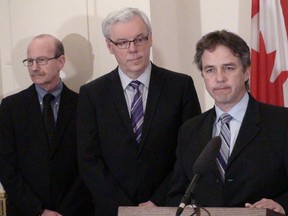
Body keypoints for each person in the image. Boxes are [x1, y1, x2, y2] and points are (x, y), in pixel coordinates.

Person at [77, 7, 201, 216]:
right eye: (123, 42)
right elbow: (89, 159)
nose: (133, 48)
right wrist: (125, 209)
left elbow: (191, 152)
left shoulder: (180, 86)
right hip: (112, 210)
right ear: (110, 46)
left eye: (139, 39)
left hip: (170, 208)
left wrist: (159, 202)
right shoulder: (92, 94)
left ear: (150, 39)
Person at [166, 30, 288, 215]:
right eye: (210, 70)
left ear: (246, 71)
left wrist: (281, 205)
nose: (219, 78)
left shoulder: (281, 123)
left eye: (228, 68)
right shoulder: (189, 130)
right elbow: (177, 195)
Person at [0, 34, 94, 216]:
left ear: (61, 62)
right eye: (30, 61)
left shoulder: (84, 104)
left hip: (76, 210)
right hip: (27, 211)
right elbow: (6, 167)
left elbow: (89, 161)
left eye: (41, 60)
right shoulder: (10, 107)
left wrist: (67, 210)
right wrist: (39, 211)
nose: (34, 67)